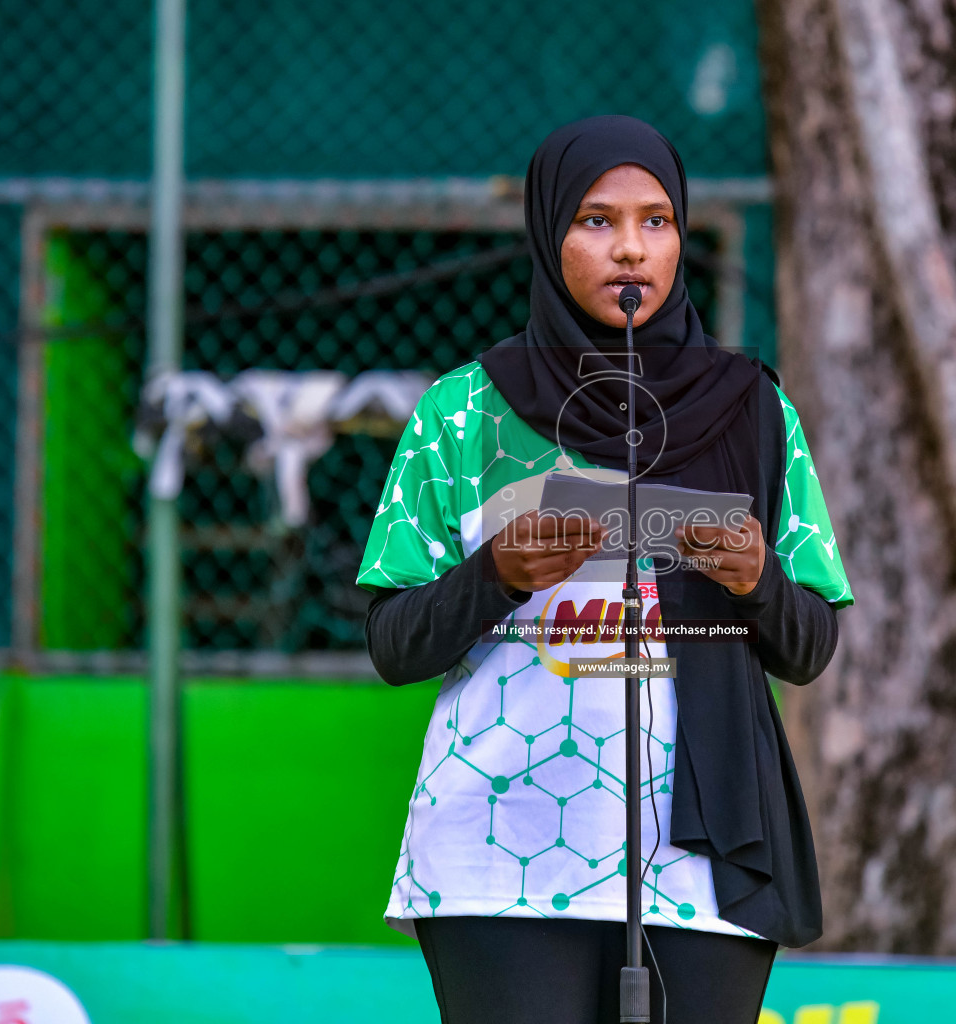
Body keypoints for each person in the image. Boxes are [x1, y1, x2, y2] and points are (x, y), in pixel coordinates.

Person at [356, 115, 853, 1024]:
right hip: (501, 846)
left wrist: (754, 577)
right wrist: (497, 573)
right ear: (549, 233)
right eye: (596, 220)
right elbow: (393, 642)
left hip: (704, 850)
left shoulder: (752, 409)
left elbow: (810, 645)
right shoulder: (462, 412)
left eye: (656, 221)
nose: (630, 249)